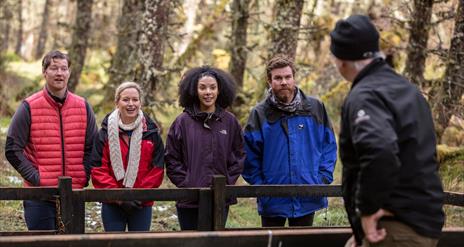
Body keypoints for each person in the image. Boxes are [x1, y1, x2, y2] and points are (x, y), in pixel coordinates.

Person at [329, 15, 445, 247]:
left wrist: (368, 212)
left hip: (393, 227)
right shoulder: (407, 90)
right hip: (421, 223)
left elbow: (380, 151)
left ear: (341, 61)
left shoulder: (366, 95)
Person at [4, 50, 98, 230]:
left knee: (73, 244)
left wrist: (84, 174)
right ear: (44, 72)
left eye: (64, 68)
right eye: (54, 68)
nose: (59, 73)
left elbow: (93, 147)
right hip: (39, 196)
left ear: (69, 73)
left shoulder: (83, 106)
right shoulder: (29, 106)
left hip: (74, 194)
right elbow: (12, 149)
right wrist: (35, 178)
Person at [242, 55, 337, 227]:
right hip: (272, 199)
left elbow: (328, 146)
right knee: (272, 242)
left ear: (294, 78)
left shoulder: (315, 108)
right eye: (278, 78)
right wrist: (262, 186)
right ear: (269, 81)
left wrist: (321, 179)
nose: (284, 82)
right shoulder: (259, 113)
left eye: (287, 77)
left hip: (308, 195)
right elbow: (248, 155)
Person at [165, 66, 245, 230]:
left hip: (220, 197)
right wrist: (187, 184)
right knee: (191, 242)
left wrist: (225, 184)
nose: (208, 92)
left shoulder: (229, 121)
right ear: (194, 90)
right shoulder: (182, 122)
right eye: (202, 87)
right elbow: (172, 158)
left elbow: (238, 156)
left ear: (219, 90)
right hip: (189, 199)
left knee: (216, 242)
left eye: (212, 87)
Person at [90, 82, 164, 232]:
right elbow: (98, 169)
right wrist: (120, 197)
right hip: (112, 202)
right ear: (117, 102)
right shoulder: (104, 133)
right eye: (126, 99)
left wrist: (139, 196)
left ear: (140, 102)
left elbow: (157, 169)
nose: (131, 104)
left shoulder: (151, 132)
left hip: (141, 203)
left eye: (135, 99)